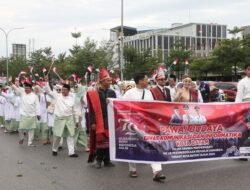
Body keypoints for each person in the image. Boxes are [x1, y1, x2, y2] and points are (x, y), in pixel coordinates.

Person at [123, 72, 166, 182]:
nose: (148, 81)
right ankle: (132, 169)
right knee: (132, 146)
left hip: (147, 124)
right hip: (133, 124)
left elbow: (152, 107)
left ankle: (157, 171)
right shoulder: (129, 93)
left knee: (153, 145)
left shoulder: (149, 93)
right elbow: (121, 105)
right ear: (140, 81)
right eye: (146, 80)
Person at [87, 68, 116, 168]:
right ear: (102, 81)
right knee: (100, 142)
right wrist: (93, 122)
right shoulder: (94, 94)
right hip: (99, 121)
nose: (110, 82)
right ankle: (98, 160)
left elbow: (116, 106)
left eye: (110, 80)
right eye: (108, 80)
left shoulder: (112, 92)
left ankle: (107, 161)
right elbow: (91, 110)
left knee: (109, 142)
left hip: (110, 120)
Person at [44, 76, 79, 157]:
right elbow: (48, 91)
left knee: (70, 136)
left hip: (69, 119)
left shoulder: (71, 99)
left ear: (68, 91)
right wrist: (46, 82)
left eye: (64, 90)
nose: (62, 91)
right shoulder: (57, 96)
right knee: (57, 136)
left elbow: (75, 111)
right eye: (62, 89)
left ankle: (71, 152)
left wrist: (76, 121)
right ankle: (54, 149)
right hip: (59, 119)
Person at [10, 79, 41, 146]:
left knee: (31, 130)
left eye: (27, 88)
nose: (26, 89)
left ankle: (30, 142)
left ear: (30, 89)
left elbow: (37, 105)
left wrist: (38, 114)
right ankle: (21, 138)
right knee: (20, 128)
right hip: (24, 114)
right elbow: (16, 89)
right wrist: (11, 83)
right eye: (25, 88)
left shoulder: (34, 96)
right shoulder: (22, 93)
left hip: (32, 115)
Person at [235, 63, 250, 161]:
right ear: (245, 71)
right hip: (246, 107)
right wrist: (237, 110)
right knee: (245, 130)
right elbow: (239, 97)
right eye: (249, 69)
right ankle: (242, 153)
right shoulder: (242, 82)